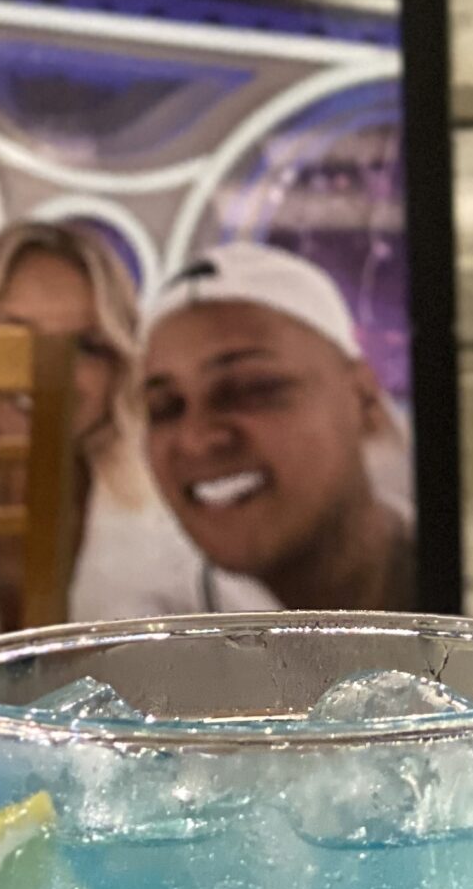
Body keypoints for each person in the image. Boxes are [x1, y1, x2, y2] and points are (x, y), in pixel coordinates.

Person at [138, 244, 414, 613]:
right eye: (164, 408)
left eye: (253, 389)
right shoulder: (144, 625)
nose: (195, 439)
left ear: (364, 398)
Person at [0, 218, 150, 623]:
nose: (51, 372)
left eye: (86, 346)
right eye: (18, 340)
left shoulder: (171, 522)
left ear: (118, 368)